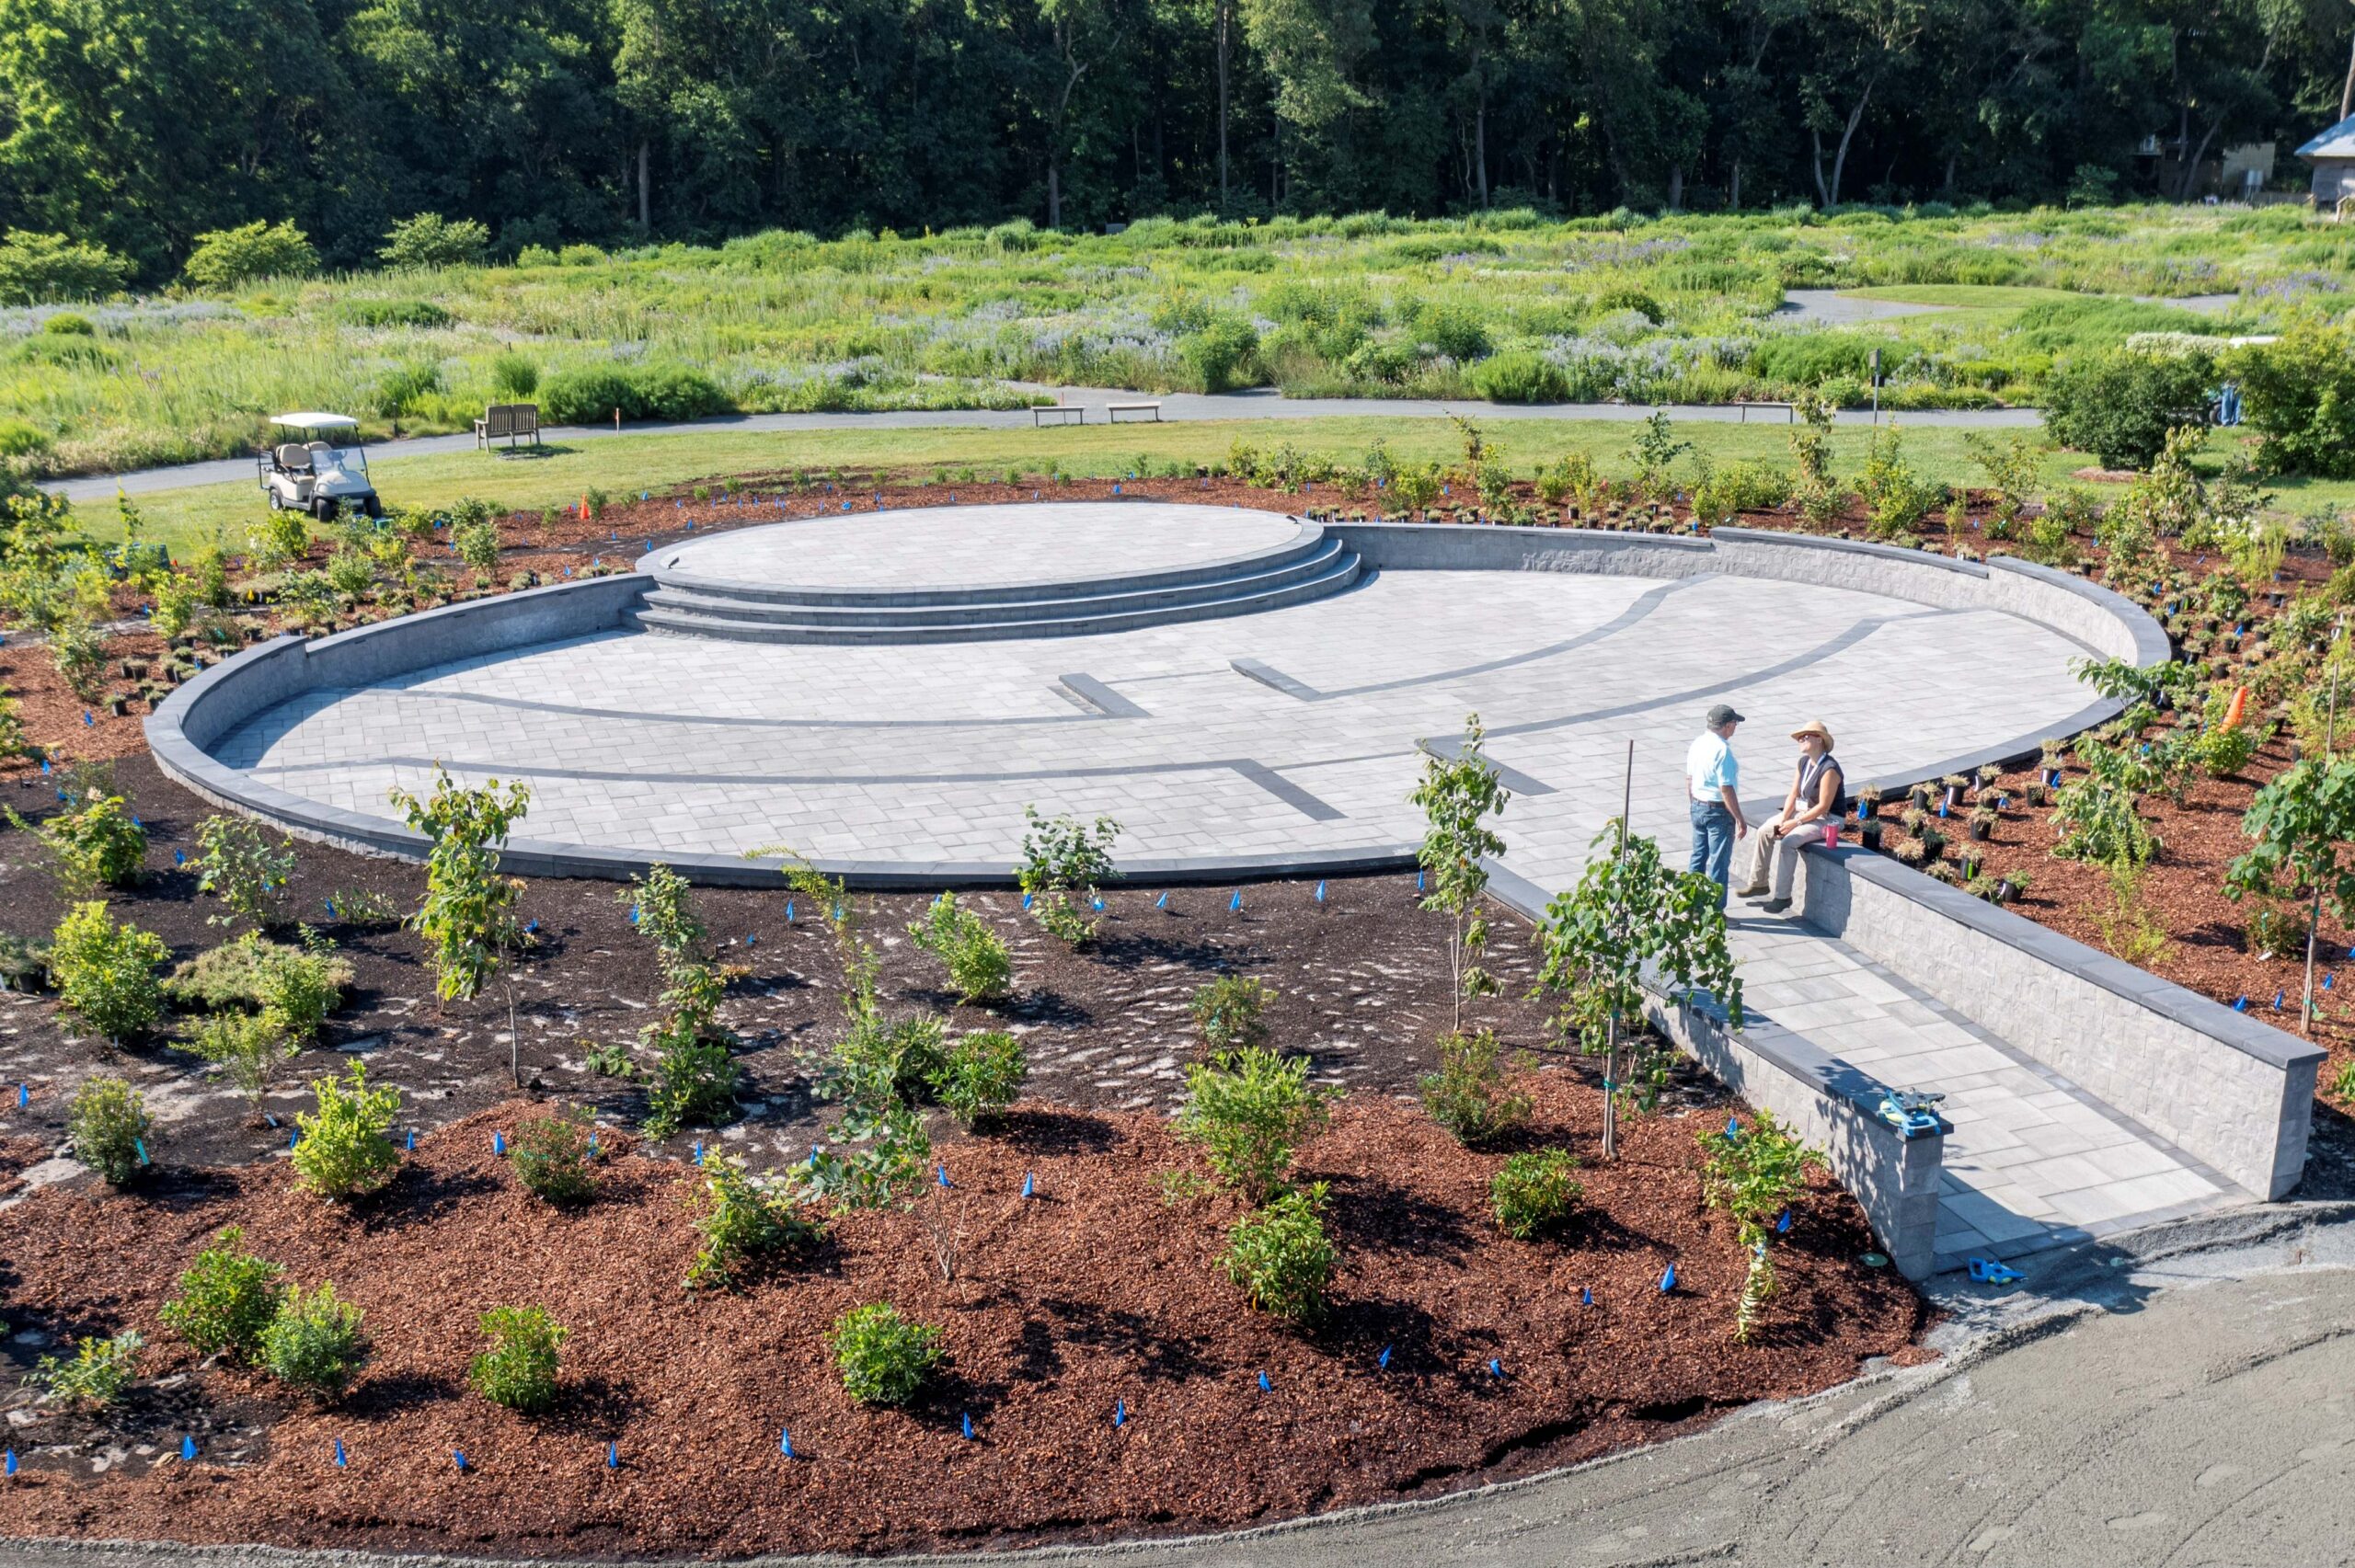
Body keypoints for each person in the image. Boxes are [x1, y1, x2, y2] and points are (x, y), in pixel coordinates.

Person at [1736, 719, 1845, 913]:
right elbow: (1794, 794)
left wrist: (1796, 823)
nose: (1801, 740)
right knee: (1764, 831)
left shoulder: (1829, 769)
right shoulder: (1803, 762)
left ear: (1819, 740)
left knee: (1789, 841)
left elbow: (1823, 806)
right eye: (1799, 738)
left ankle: (1782, 897)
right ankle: (1758, 883)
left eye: (1805, 736)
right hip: (1802, 812)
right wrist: (1785, 819)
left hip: (1827, 819)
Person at [1684, 703, 1748, 905]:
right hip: (1718, 812)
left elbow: (1689, 779)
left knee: (1698, 858)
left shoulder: (1698, 743)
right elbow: (1726, 789)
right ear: (1728, 725)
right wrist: (1739, 818)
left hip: (1697, 805)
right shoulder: (1723, 751)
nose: (1735, 727)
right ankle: (1716, 912)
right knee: (1718, 863)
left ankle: (1691, 905)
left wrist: (1694, 803)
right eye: (1735, 723)